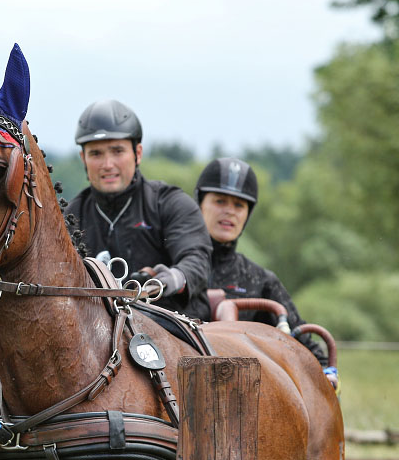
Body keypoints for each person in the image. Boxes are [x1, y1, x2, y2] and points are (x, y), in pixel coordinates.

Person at [64, 99, 212, 320]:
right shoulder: (71, 218)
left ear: (138, 153)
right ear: (83, 158)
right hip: (99, 340)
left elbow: (197, 259)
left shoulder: (171, 203)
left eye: (117, 151)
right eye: (96, 154)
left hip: (173, 329)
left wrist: (174, 277)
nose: (107, 164)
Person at [196, 158, 335, 380]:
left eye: (239, 205)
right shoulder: (173, 268)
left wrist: (326, 371)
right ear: (200, 204)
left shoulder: (259, 280)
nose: (230, 212)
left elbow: (302, 342)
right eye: (220, 201)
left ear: (247, 214)